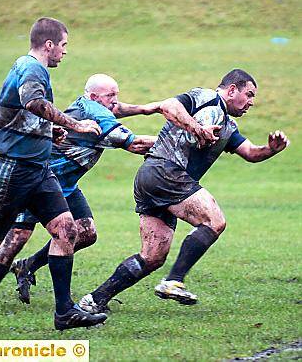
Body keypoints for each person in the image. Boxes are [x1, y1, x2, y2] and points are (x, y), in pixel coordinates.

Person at [0, 17, 108, 333]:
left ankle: (64, 311)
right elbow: (33, 101)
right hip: (9, 169)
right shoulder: (32, 68)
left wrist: (48, 131)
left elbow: (24, 112)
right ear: (49, 44)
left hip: (38, 170)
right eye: (64, 45)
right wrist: (74, 124)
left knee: (66, 229)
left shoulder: (30, 68)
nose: (65, 53)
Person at [78, 69, 290, 313]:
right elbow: (170, 105)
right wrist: (197, 129)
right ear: (232, 90)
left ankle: (94, 300)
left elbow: (251, 153)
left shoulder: (228, 125)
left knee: (152, 256)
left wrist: (271, 149)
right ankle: (173, 280)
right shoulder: (205, 97)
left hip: (154, 178)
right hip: (165, 171)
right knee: (214, 221)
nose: (251, 102)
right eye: (249, 95)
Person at [0, 73, 157, 307]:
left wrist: (148, 109)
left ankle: (28, 266)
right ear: (95, 97)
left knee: (86, 232)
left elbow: (118, 109)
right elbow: (135, 144)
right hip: (40, 180)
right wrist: (179, 137)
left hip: (67, 185)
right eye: (111, 96)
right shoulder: (96, 113)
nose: (116, 101)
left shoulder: (90, 105)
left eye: (117, 94)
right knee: (16, 237)